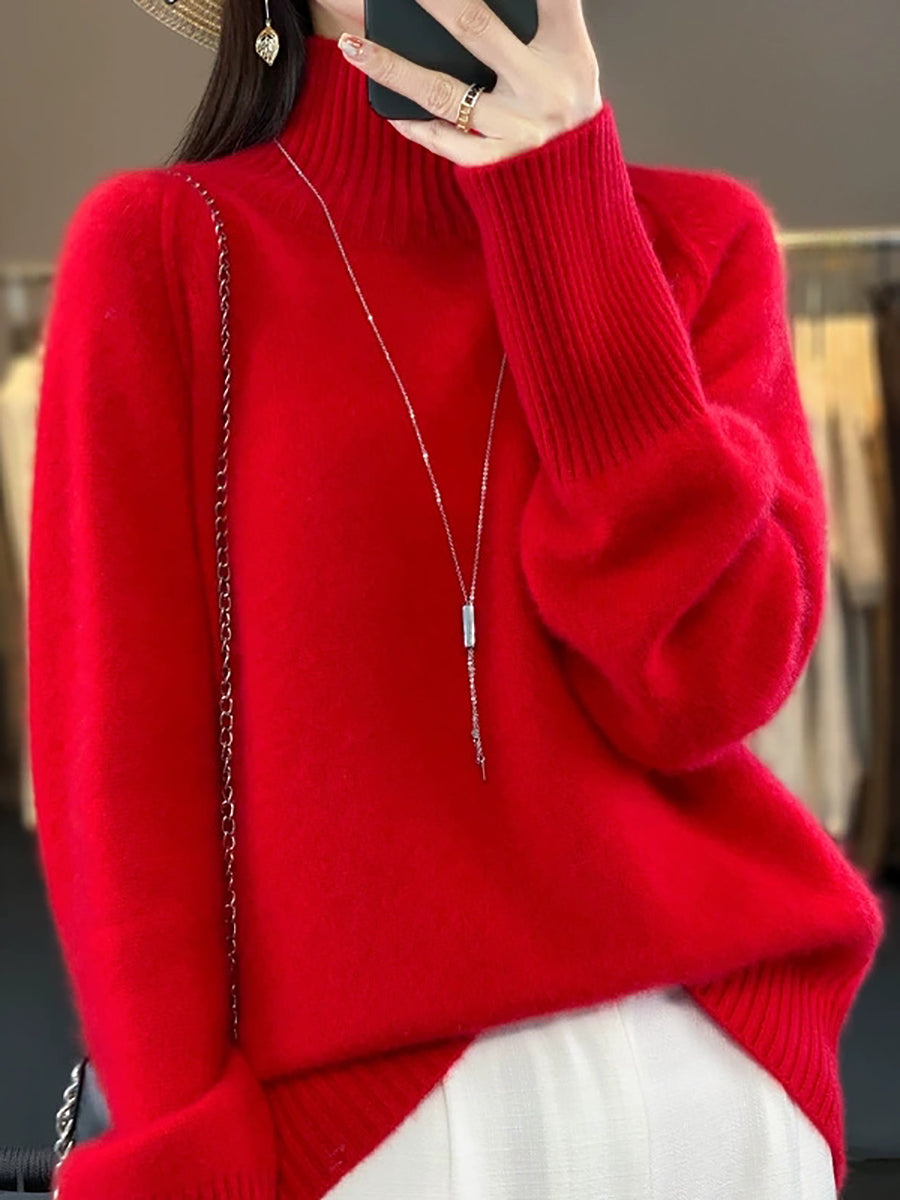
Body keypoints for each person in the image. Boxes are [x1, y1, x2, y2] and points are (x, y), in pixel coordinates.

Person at [27, 1, 885, 1198]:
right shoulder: (172, 249)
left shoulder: (698, 240)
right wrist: (181, 1157)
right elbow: (122, 770)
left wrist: (565, 204)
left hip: (718, 1080)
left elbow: (705, 685)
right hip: (363, 1134)